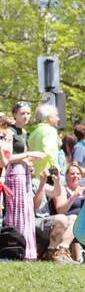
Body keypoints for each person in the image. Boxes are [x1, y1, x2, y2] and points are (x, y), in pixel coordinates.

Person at [3, 102, 40, 260]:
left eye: (28, 113)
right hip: (14, 174)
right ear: (15, 115)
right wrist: (28, 154)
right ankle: (15, 248)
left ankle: (29, 251)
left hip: (24, 173)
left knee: (27, 211)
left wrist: (29, 162)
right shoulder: (9, 132)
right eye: (22, 113)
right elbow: (8, 158)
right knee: (17, 212)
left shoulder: (24, 132)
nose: (25, 116)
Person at [26, 101, 61, 177]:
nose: (58, 118)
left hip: (36, 173)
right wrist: (56, 171)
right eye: (56, 115)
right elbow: (50, 152)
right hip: (48, 173)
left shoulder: (34, 132)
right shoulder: (50, 130)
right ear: (49, 117)